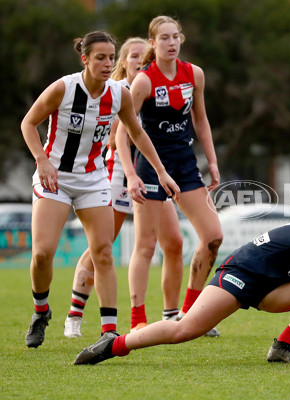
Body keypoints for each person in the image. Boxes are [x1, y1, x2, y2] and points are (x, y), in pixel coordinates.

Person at [73, 197, 290, 365]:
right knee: (185, 330)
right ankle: (114, 345)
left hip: (276, 286)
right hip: (243, 273)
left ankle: (281, 348)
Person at [21, 31, 179, 348]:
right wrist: (42, 161)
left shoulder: (118, 94)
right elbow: (28, 123)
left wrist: (161, 171)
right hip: (56, 177)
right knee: (42, 253)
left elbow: (137, 133)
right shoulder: (64, 88)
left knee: (104, 252)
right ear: (85, 59)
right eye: (100, 58)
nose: (108, 64)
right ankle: (41, 311)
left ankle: (109, 331)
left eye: (111, 57)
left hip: (93, 179)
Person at [63, 38, 185, 338]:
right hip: (119, 172)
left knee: (174, 242)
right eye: (132, 56)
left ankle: (172, 313)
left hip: (149, 171)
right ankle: (75, 313)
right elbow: (116, 139)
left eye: (143, 57)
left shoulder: (151, 87)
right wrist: (130, 175)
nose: (138, 61)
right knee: (102, 245)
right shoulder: (118, 90)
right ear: (122, 62)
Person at [115, 16, 222, 334]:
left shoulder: (194, 74)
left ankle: (190, 311)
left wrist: (212, 162)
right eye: (164, 38)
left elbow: (201, 121)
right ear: (153, 43)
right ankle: (137, 321)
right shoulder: (144, 81)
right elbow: (123, 133)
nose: (171, 43)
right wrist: (131, 175)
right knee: (146, 245)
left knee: (213, 236)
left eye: (176, 37)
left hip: (185, 165)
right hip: (149, 167)